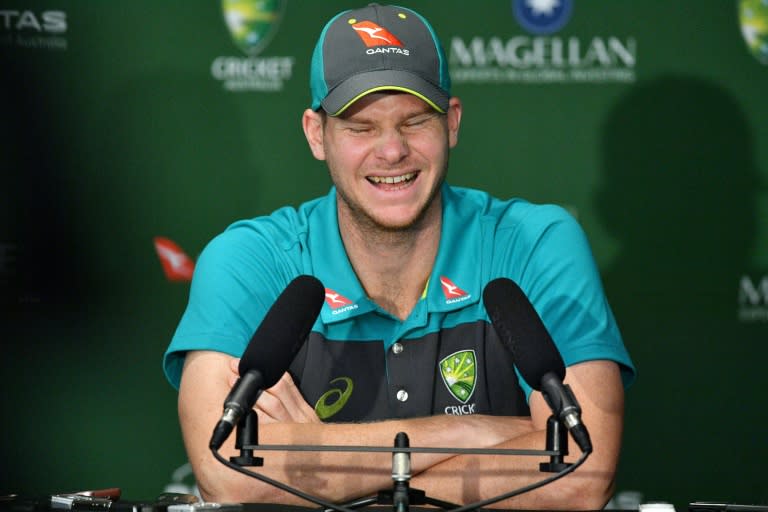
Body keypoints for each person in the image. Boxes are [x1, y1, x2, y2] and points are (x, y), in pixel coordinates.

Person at [163, 3, 635, 509]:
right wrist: (462, 433)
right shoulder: (249, 260)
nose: (391, 151)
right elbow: (225, 472)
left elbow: (584, 470)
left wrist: (317, 455)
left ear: (451, 123)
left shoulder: (537, 244)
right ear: (316, 134)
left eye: (414, 121)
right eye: (361, 127)